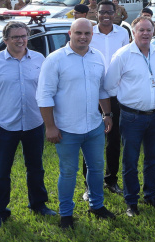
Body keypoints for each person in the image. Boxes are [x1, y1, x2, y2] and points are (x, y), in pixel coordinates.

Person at [0, 21, 56, 231]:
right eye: (15, 37)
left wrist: (51, 123)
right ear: (5, 40)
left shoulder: (39, 59)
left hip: (34, 124)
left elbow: (47, 91)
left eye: (23, 36)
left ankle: (38, 204)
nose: (20, 40)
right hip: (5, 127)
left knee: (36, 168)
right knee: (1, 172)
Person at [37, 18, 115, 229]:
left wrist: (107, 113)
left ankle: (96, 206)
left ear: (92, 35)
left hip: (93, 126)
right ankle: (66, 214)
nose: (83, 37)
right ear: (69, 34)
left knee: (97, 168)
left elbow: (102, 89)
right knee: (68, 172)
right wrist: (50, 126)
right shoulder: (55, 60)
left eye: (87, 34)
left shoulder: (97, 57)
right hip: (66, 129)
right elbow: (44, 96)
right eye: (78, 33)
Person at [105, 17, 155, 216]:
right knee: (130, 160)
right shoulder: (123, 55)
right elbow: (109, 86)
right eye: (141, 30)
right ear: (133, 32)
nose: (146, 34)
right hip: (132, 117)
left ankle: (151, 195)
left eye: (149, 30)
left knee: (154, 157)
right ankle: (131, 201)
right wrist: (129, 96)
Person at [87, 0, 132, 197]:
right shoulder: (89, 32)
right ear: (96, 13)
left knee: (113, 140)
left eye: (110, 12)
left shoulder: (122, 33)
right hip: (91, 93)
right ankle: (89, 184)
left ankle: (111, 180)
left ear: (116, 14)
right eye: (102, 12)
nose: (106, 15)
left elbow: (127, 59)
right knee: (89, 138)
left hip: (115, 93)